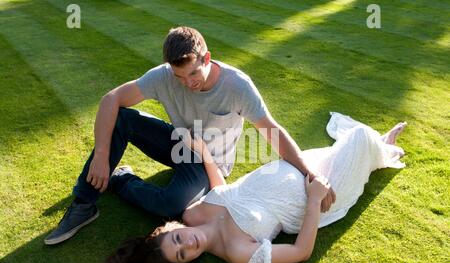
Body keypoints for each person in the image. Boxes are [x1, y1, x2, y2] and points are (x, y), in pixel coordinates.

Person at [44, 26, 336, 245]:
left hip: (210, 166)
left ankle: (121, 179)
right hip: (179, 143)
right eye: (179, 76)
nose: (187, 83)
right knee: (122, 117)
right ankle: (83, 203)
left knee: (170, 206)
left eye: (193, 74)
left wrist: (308, 172)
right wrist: (101, 154)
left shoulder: (238, 87)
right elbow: (111, 99)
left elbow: (273, 132)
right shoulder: (164, 76)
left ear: (206, 58)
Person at [101, 112, 407, 263]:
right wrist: (314, 198)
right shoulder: (238, 254)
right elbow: (301, 252)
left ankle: (379, 149)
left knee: (356, 143)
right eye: (182, 255)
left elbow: (224, 191)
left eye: (177, 239)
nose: (188, 244)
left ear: (172, 228)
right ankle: (383, 148)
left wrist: (204, 153)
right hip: (323, 193)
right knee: (361, 137)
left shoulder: (192, 214)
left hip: (304, 167)